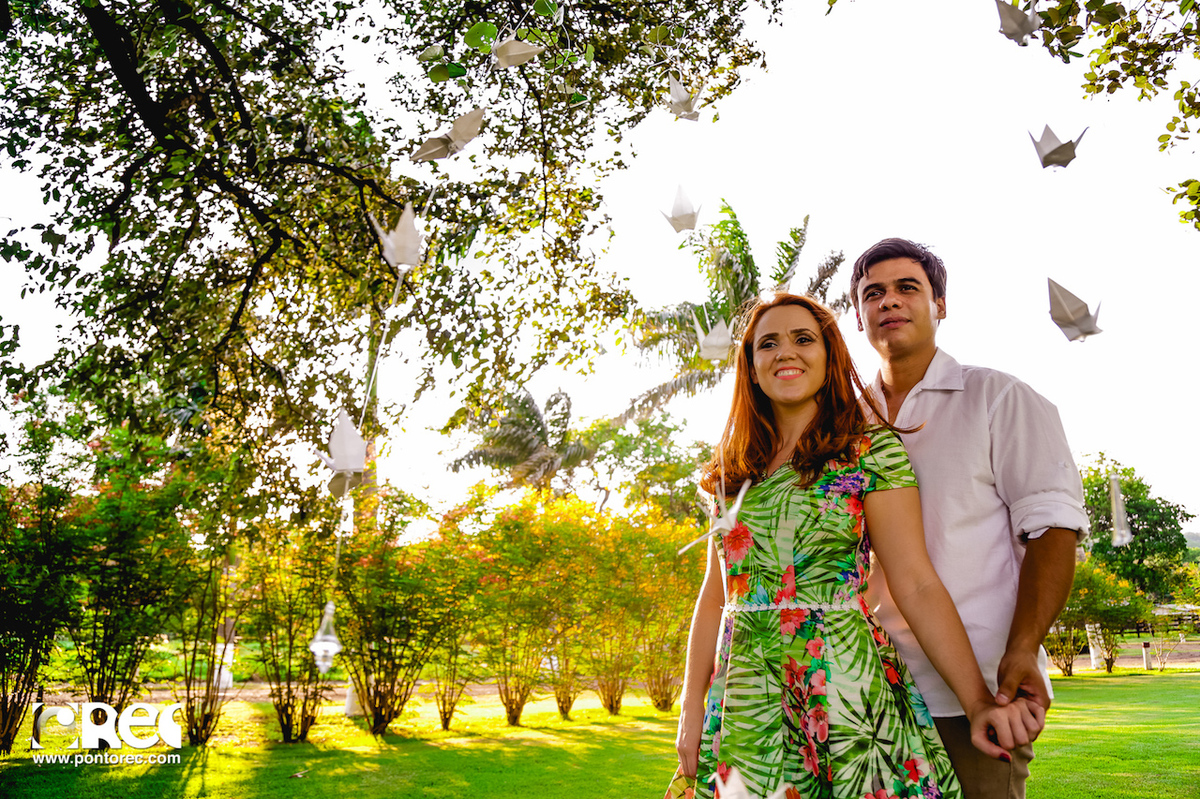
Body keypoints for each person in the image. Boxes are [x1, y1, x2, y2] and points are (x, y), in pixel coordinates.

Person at [666, 294, 1041, 799]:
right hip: (745, 694)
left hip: (843, 684)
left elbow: (916, 582)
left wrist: (977, 703)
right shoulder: (731, 470)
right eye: (768, 344)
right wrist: (692, 707)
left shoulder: (868, 449)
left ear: (830, 357)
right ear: (751, 368)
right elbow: (716, 594)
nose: (785, 352)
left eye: (803, 339)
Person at [851, 238, 1089, 799]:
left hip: (976, 694)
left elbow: (1053, 530)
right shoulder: (842, 421)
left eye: (908, 287)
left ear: (940, 304)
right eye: (873, 293)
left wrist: (1023, 648)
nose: (890, 301)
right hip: (861, 692)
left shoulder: (999, 398)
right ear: (859, 316)